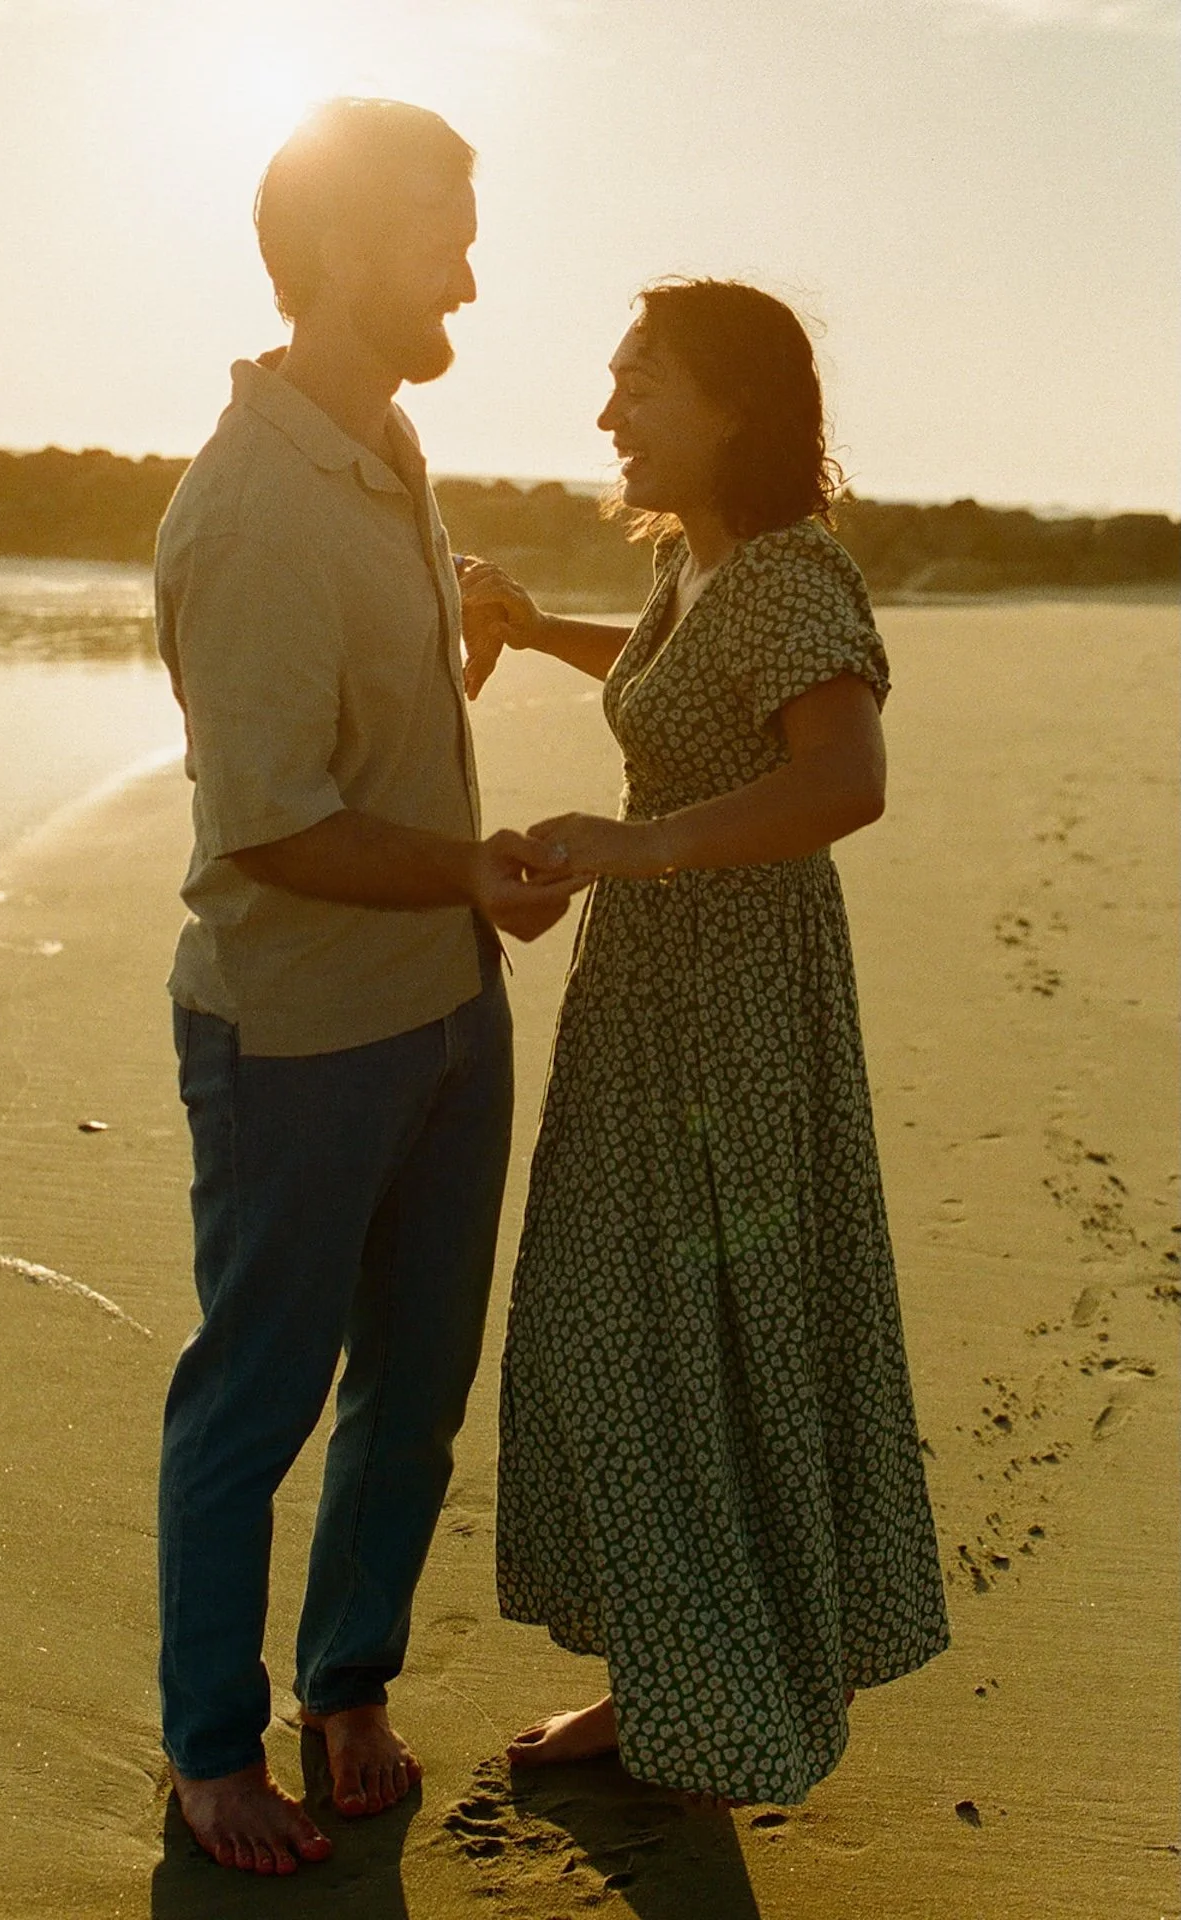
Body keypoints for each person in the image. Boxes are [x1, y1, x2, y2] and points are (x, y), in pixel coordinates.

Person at [153, 98, 586, 1877]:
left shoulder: (390, 449)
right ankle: (205, 1747)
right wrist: (473, 870)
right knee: (257, 1397)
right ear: (334, 250)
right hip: (299, 1030)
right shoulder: (249, 503)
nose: (469, 273)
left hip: (446, 1004)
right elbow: (272, 830)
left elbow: (375, 751)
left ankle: (348, 1686)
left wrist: (466, 656)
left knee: (411, 1387)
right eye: (438, 233)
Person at [460, 278, 950, 1807]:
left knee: (704, 1330)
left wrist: (637, 845)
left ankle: (725, 1704)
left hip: (737, 1013)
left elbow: (845, 782)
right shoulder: (705, 568)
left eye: (640, 383)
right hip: (656, 996)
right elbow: (678, 681)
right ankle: (665, 1674)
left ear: (733, 405)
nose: (608, 413)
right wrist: (539, 631)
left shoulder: (797, 575)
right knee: (633, 1328)